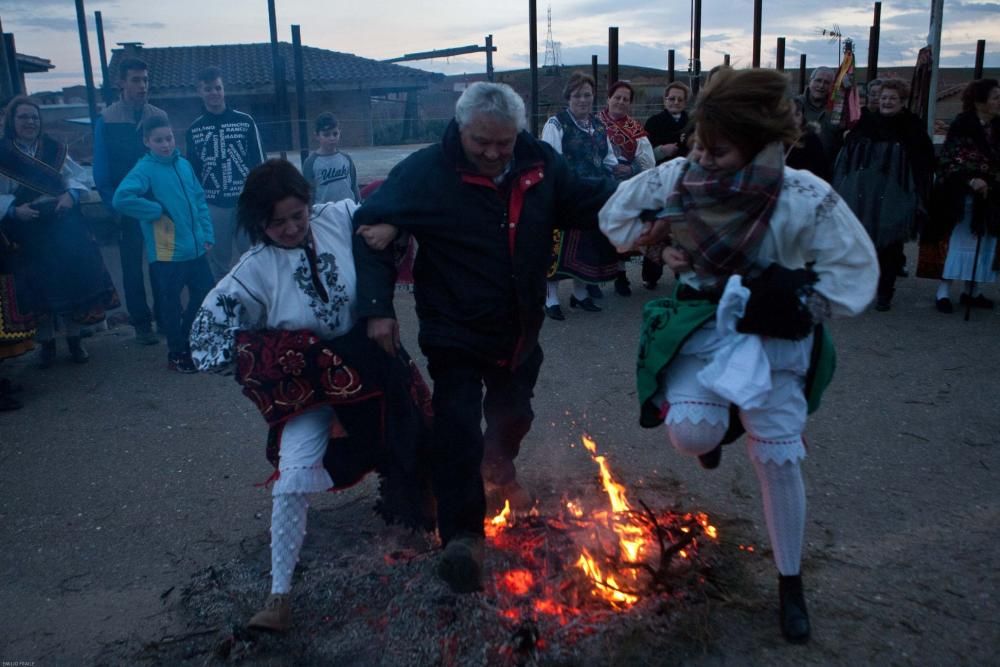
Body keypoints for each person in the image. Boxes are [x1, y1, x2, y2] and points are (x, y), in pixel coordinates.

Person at [599, 68, 878, 644]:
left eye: (718, 147)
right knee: (693, 434)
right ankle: (717, 426)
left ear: (757, 141)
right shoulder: (679, 177)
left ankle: (790, 583)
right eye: (699, 139)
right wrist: (662, 237)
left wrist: (797, 297)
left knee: (777, 461)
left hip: (774, 338)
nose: (701, 153)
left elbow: (856, 273)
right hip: (705, 324)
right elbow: (616, 220)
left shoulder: (803, 195)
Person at [353, 81, 617, 594]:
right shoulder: (428, 171)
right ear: (461, 128)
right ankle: (463, 538)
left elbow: (587, 201)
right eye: (482, 143)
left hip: (520, 327)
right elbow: (369, 225)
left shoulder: (539, 163)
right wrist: (377, 309)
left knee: (512, 416)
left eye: (504, 143)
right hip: (453, 327)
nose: (495, 154)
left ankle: (499, 465)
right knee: (457, 429)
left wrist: (646, 203)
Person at [189, 159, 433, 633]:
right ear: (258, 223)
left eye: (297, 215)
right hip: (313, 385)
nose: (290, 228)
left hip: (373, 359)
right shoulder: (251, 272)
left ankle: (426, 529)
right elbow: (204, 339)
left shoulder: (341, 214)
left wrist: (389, 224)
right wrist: (274, 356)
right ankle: (279, 597)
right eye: (276, 222)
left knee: (416, 436)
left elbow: (402, 199)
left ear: (309, 202)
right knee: (292, 477)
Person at [0, 96, 119, 367]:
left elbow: (77, 177)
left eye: (34, 117)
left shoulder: (54, 149)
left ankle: (75, 341)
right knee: (38, 290)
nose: (30, 122)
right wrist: (13, 210)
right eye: (23, 117)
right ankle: (47, 345)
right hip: (26, 231)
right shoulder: (3, 154)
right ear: (12, 121)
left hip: (61, 224)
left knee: (72, 282)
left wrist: (71, 196)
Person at [112, 115, 215, 372]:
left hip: (195, 247)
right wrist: (154, 210)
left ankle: (186, 337)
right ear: (147, 141)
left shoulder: (184, 165)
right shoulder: (144, 169)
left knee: (205, 292)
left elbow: (199, 200)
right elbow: (121, 199)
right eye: (158, 140)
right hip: (167, 250)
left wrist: (207, 235)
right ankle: (177, 353)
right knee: (170, 303)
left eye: (168, 138)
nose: (166, 144)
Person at [833, 78, 934, 311]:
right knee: (861, 243)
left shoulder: (912, 126)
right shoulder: (866, 122)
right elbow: (848, 155)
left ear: (902, 101)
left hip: (896, 196)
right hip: (863, 195)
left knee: (890, 245)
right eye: (884, 97)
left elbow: (923, 161)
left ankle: (885, 292)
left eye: (893, 98)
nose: (887, 102)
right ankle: (859, 289)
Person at [93, 57, 166, 346]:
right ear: (121, 83)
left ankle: (165, 317)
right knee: (132, 269)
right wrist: (114, 206)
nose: (142, 86)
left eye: (145, 80)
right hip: (126, 209)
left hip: (157, 207)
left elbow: (168, 157)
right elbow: (101, 170)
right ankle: (141, 324)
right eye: (136, 80)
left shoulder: (158, 115)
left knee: (162, 264)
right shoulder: (107, 120)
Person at [541, 71, 620, 318]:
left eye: (587, 95)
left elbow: (608, 158)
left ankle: (580, 294)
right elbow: (549, 160)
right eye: (577, 95)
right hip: (565, 194)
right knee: (558, 246)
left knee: (585, 245)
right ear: (568, 97)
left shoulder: (598, 125)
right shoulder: (556, 124)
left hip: (592, 195)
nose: (583, 100)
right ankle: (551, 298)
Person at [918, 78, 1000, 312]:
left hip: (990, 196)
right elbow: (951, 159)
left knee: (984, 243)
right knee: (956, 242)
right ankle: (943, 292)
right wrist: (971, 179)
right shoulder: (963, 124)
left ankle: (972, 290)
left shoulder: (998, 127)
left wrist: (990, 179)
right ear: (979, 101)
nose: (998, 101)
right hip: (958, 195)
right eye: (995, 97)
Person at [185, 66, 265, 281]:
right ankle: (225, 305)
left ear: (224, 90)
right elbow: (192, 172)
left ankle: (257, 301)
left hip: (243, 203)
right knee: (218, 262)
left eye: (218, 88)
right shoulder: (194, 130)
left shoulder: (245, 122)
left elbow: (259, 163)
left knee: (253, 255)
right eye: (208, 89)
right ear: (200, 92)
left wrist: (259, 199)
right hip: (212, 206)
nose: (214, 93)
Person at [598, 80, 655, 297]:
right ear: (608, 99)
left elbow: (648, 164)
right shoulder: (594, 124)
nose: (620, 102)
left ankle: (620, 274)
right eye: (617, 97)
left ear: (630, 104)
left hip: (622, 187)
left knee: (620, 229)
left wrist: (630, 169)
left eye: (625, 99)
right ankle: (589, 280)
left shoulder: (636, 131)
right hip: (596, 184)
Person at [642, 81, 693, 290]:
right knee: (657, 227)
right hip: (660, 181)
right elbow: (644, 153)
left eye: (680, 99)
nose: (675, 102)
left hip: (685, 182)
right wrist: (661, 150)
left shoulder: (692, 122)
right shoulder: (653, 122)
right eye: (672, 98)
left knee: (684, 229)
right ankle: (651, 275)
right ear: (665, 99)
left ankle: (683, 272)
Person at [302, 112, 360, 205]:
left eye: (335, 133)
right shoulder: (310, 163)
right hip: (325, 215)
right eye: (326, 135)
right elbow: (309, 194)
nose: (332, 138)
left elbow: (354, 187)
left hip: (348, 212)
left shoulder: (346, 159)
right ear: (317, 135)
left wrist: (358, 206)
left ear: (339, 132)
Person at [797, 66, 840, 164]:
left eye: (827, 83)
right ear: (810, 81)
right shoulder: (795, 105)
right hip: (799, 168)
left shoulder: (837, 109)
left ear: (832, 86)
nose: (821, 86)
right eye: (818, 80)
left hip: (828, 169)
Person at [786, 97, 831, 182]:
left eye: (796, 115)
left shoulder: (811, 140)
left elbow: (820, 172)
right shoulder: (779, 139)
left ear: (800, 115)